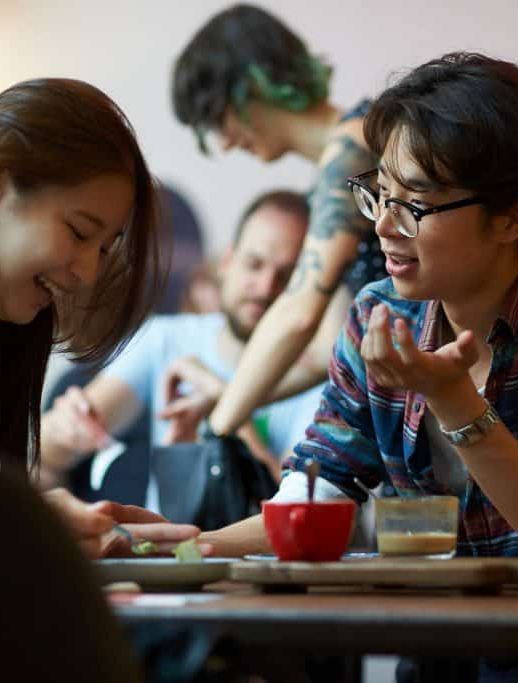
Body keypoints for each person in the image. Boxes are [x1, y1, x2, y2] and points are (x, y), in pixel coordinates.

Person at [198, 51, 518, 680]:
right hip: (440, 659)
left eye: (416, 205)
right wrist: (178, 544)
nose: (385, 228)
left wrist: (454, 400)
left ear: (514, 215)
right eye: (379, 196)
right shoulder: (379, 313)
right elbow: (317, 493)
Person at [0, 77, 201, 558]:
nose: (87, 274)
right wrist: (20, 523)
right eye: (77, 231)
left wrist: (40, 531)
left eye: (104, 249)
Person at [172, 4, 384, 440]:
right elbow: (330, 346)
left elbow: (298, 313)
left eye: (218, 119)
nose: (226, 143)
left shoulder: (353, 146)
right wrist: (230, 396)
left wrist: (221, 423)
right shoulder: (331, 172)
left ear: (252, 86)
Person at [40, 190, 323, 489]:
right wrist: (65, 429)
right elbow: (49, 451)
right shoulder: (164, 337)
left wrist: (224, 408)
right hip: (161, 537)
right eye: (254, 264)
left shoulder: (317, 375)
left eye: (288, 275)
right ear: (227, 262)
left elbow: (298, 508)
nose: (266, 287)